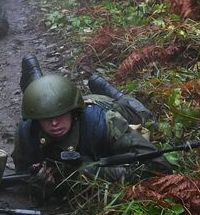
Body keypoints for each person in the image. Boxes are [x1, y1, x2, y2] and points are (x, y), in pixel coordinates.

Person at [12, 73, 172, 194]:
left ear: (73, 112)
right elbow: (21, 171)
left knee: (143, 115)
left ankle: (107, 88)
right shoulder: (26, 132)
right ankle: (36, 74)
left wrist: (90, 172)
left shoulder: (105, 123)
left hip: (106, 105)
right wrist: (37, 180)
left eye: (60, 115)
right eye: (46, 118)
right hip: (69, 100)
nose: (54, 123)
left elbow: (159, 166)